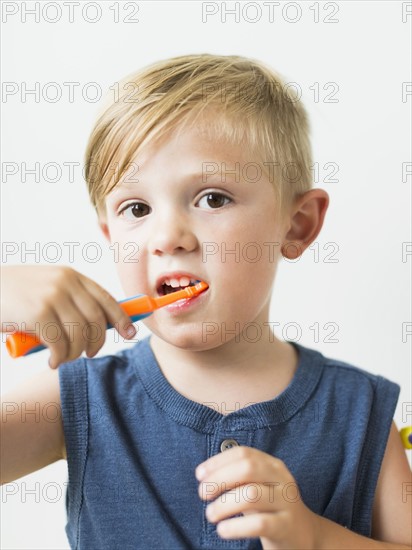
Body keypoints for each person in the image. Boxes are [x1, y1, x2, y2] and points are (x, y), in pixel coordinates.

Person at [1, 54, 411, 550]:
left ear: (297, 224)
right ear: (111, 236)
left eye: (213, 198)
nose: (168, 236)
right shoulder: (79, 401)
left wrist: (315, 539)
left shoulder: (362, 413)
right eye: (137, 209)